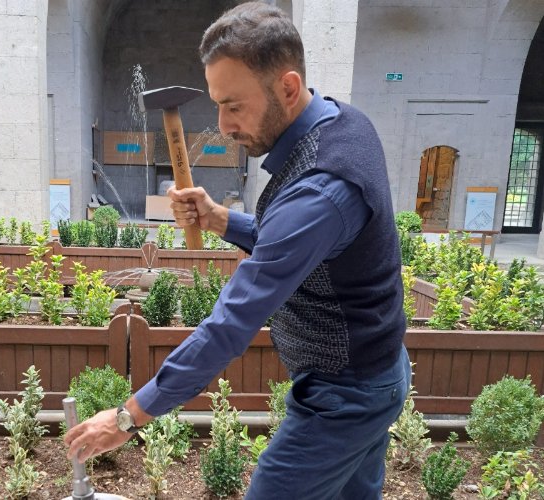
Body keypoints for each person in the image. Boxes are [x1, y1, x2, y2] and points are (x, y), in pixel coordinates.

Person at [65, 2, 411, 498]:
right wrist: (220, 218)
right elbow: (304, 243)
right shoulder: (342, 122)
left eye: (234, 106)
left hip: (347, 395)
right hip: (372, 375)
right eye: (217, 104)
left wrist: (127, 417)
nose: (224, 126)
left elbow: (230, 325)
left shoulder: (320, 190)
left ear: (287, 88)